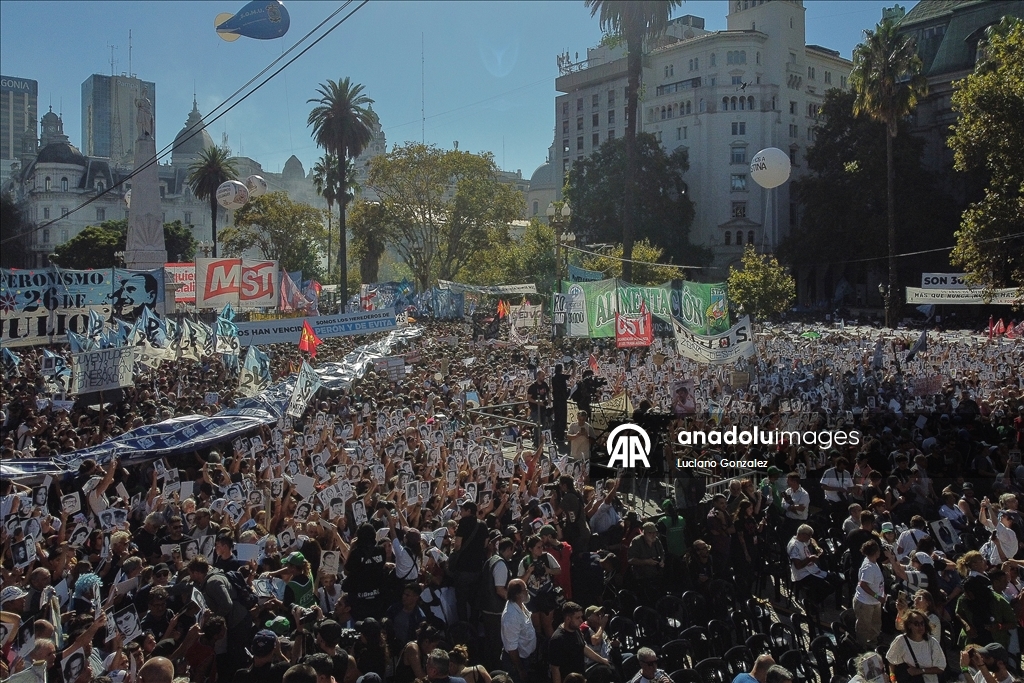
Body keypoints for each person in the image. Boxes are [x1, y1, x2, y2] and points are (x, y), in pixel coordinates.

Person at [548, 601, 609, 683]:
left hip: (581, 677)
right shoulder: (557, 640)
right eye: (577, 618)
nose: (581, 620)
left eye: (581, 617)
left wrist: (602, 660)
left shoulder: (576, 630)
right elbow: (555, 669)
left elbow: (583, 647)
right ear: (568, 619)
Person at [885, 608, 946, 683]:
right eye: (916, 624)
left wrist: (920, 671)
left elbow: (940, 668)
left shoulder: (932, 642)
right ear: (909, 625)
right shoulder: (901, 640)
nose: (920, 627)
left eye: (922, 623)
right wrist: (892, 678)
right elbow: (891, 661)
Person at [500, 579, 536, 683]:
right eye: (525, 589)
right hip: (516, 662)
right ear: (517, 594)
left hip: (526, 658)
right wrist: (520, 670)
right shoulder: (511, 617)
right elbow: (512, 648)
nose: (527, 591)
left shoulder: (520, 605)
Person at [854, 541, 886, 648]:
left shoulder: (873, 563)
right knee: (864, 627)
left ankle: (873, 644)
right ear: (876, 552)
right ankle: (862, 647)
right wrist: (878, 596)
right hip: (865, 603)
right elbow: (863, 584)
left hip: (875, 602)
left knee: (875, 626)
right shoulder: (868, 567)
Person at [551, 365, 570, 444]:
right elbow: (570, 376)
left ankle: (556, 435)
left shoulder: (554, 377)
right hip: (562, 400)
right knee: (562, 418)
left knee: (557, 418)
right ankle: (560, 436)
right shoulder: (561, 377)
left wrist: (569, 368)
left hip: (556, 400)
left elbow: (566, 375)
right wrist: (574, 367)